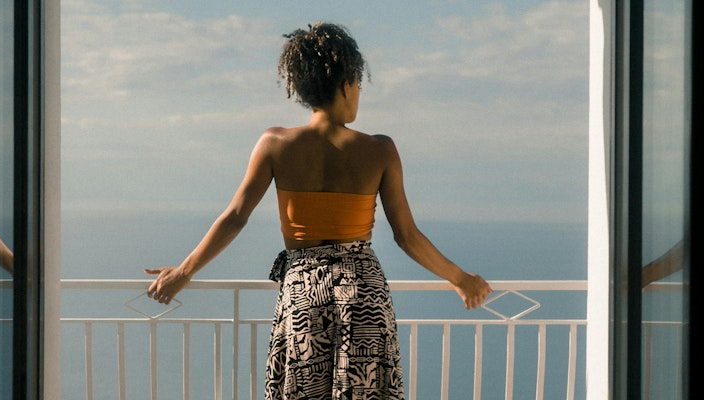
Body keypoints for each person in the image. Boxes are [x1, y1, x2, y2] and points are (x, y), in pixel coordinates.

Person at [145, 21, 493, 400]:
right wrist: (461, 279)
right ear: (346, 84)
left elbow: (235, 217)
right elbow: (405, 236)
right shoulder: (380, 150)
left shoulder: (274, 144)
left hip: (304, 293)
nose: (359, 93)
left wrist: (182, 272)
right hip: (363, 294)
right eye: (358, 83)